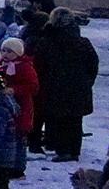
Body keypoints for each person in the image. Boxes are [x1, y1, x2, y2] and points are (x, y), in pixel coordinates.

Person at [37, 9, 100, 162]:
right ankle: (74, 150)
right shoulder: (82, 43)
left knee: (58, 119)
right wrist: (87, 81)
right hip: (79, 87)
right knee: (75, 120)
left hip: (55, 87)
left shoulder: (47, 42)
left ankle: (62, 149)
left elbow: (40, 65)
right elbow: (93, 64)